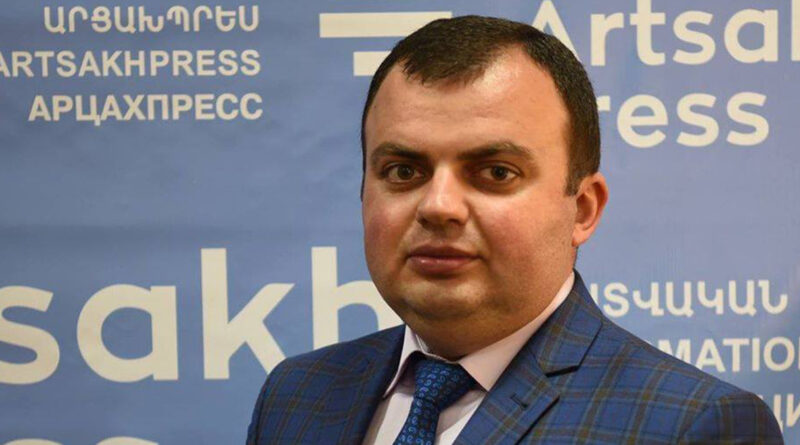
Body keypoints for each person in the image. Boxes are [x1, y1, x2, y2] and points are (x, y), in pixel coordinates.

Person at [247, 15, 783, 444]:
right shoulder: (296, 396)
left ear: (583, 210)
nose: (438, 207)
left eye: (496, 172)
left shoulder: (691, 425)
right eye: (403, 171)